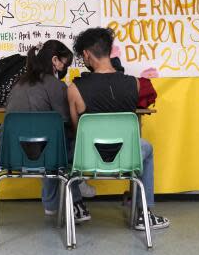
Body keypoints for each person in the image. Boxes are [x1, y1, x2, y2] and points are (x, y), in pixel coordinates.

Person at [68, 27, 170, 230]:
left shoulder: (74, 90)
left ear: (87, 54)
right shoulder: (136, 84)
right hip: (126, 158)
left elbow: (77, 131)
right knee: (146, 148)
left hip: (88, 159)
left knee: (68, 146)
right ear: (108, 51)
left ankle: (77, 205)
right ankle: (144, 214)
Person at [0, 40, 92, 223]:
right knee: (64, 139)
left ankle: (52, 203)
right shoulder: (57, 87)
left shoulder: (18, 84)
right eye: (65, 63)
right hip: (42, 155)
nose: (65, 69)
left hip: (7, 154)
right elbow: (68, 122)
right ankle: (77, 185)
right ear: (55, 61)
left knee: (46, 138)